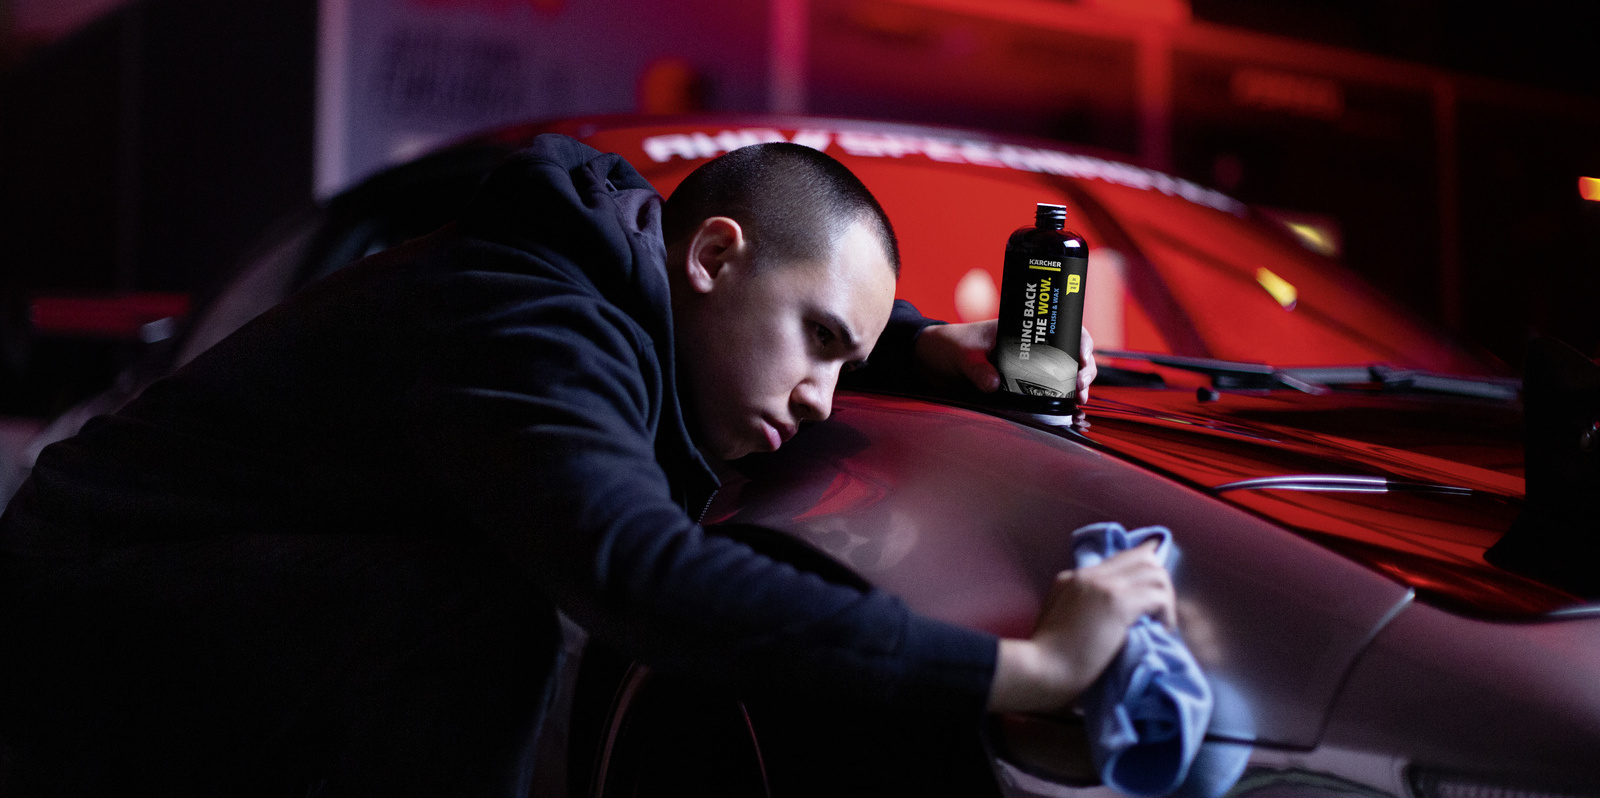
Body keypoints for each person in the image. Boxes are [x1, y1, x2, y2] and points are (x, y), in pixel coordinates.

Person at [0, 134, 1174, 796]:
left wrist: (917, 346)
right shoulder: (531, 324)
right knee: (485, 614)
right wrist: (1021, 669)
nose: (823, 400)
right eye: (823, 344)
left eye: (846, 359)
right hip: (72, 638)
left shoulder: (622, 278)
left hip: (157, 629)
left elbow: (787, 295)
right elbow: (643, 577)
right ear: (711, 253)